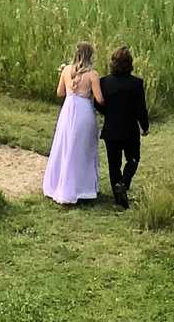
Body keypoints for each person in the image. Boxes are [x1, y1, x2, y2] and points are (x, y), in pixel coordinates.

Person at [41, 43, 102, 206]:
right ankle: (82, 187)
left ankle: (59, 185)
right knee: (82, 148)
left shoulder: (67, 70)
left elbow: (60, 92)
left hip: (68, 110)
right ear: (90, 56)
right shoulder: (92, 75)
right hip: (83, 111)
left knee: (65, 145)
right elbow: (100, 98)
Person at [95, 45, 149, 209]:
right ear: (130, 64)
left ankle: (118, 196)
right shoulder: (136, 83)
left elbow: (98, 103)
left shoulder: (104, 82)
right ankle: (124, 184)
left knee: (114, 164)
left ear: (113, 63)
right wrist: (144, 126)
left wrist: (108, 113)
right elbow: (141, 108)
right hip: (130, 130)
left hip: (111, 129)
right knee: (133, 158)